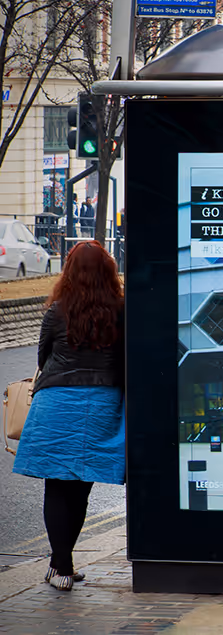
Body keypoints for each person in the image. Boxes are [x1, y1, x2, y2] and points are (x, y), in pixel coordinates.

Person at [12, 242, 125, 591]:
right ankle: (62, 563)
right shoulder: (120, 311)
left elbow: (44, 357)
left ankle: (61, 565)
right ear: (108, 271)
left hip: (57, 402)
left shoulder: (56, 311)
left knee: (57, 486)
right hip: (102, 402)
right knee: (80, 488)